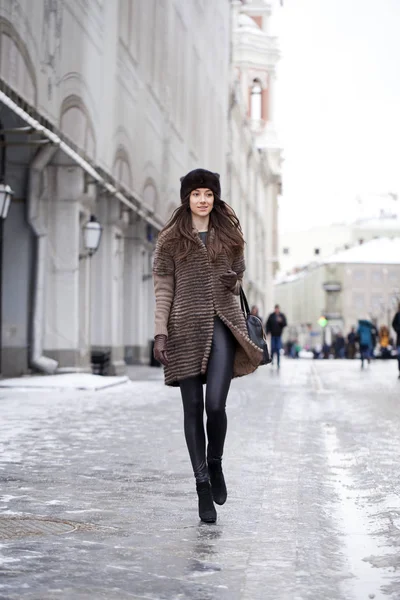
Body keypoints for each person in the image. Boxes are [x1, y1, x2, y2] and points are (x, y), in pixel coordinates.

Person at [152, 169, 262, 524]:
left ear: (215, 198)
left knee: (215, 405)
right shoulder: (170, 239)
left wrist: (233, 282)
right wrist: (160, 333)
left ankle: (215, 463)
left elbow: (239, 275)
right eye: (197, 193)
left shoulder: (230, 235)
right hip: (184, 329)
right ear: (187, 197)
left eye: (208, 194)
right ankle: (201, 486)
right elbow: (163, 290)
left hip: (223, 325)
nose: (203, 200)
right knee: (192, 410)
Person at [392, 304, 400, 378]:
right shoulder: (397, 315)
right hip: (399, 340)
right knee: (399, 356)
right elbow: (393, 324)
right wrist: (398, 330)